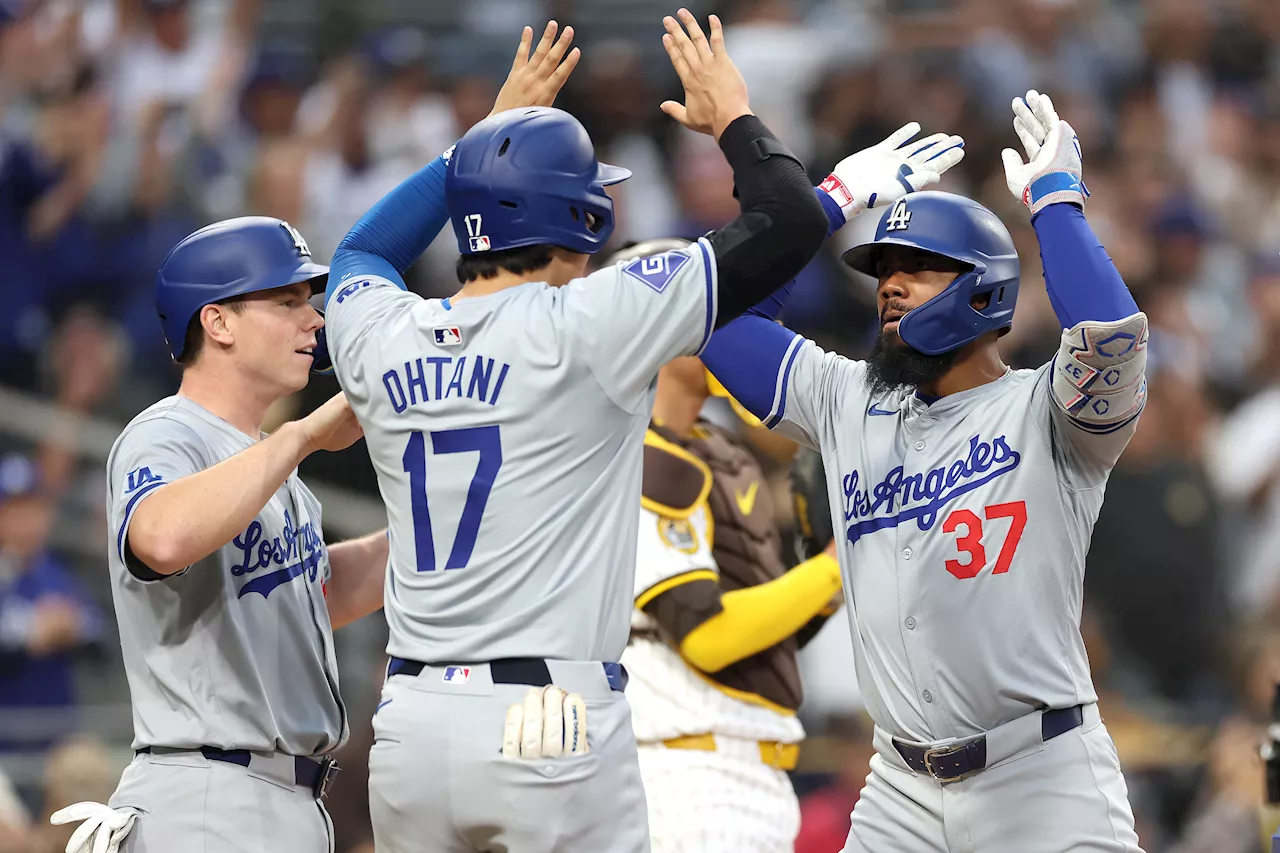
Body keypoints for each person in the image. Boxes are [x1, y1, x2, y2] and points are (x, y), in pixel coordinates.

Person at [317, 11, 869, 852]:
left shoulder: (386, 327)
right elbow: (787, 220)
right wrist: (733, 120)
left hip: (409, 722)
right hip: (550, 714)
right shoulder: (595, 318)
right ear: (580, 220)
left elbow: (361, 251)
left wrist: (473, 154)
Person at [700, 90, 1148, 852]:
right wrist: (829, 202)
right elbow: (715, 316)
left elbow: (1106, 334)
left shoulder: (1050, 410)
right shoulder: (847, 399)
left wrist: (1057, 205)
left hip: (1041, 774)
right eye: (883, 271)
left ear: (986, 287)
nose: (889, 285)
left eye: (919, 269)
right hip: (898, 790)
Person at [609, 104, 966, 853]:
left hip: (750, 766)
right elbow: (707, 636)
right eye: (688, 299)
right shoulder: (627, 454)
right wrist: (838, 569)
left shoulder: (721, 450)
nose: (708, 312)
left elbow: (763, 639)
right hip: (680, 774)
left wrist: (831, 575)